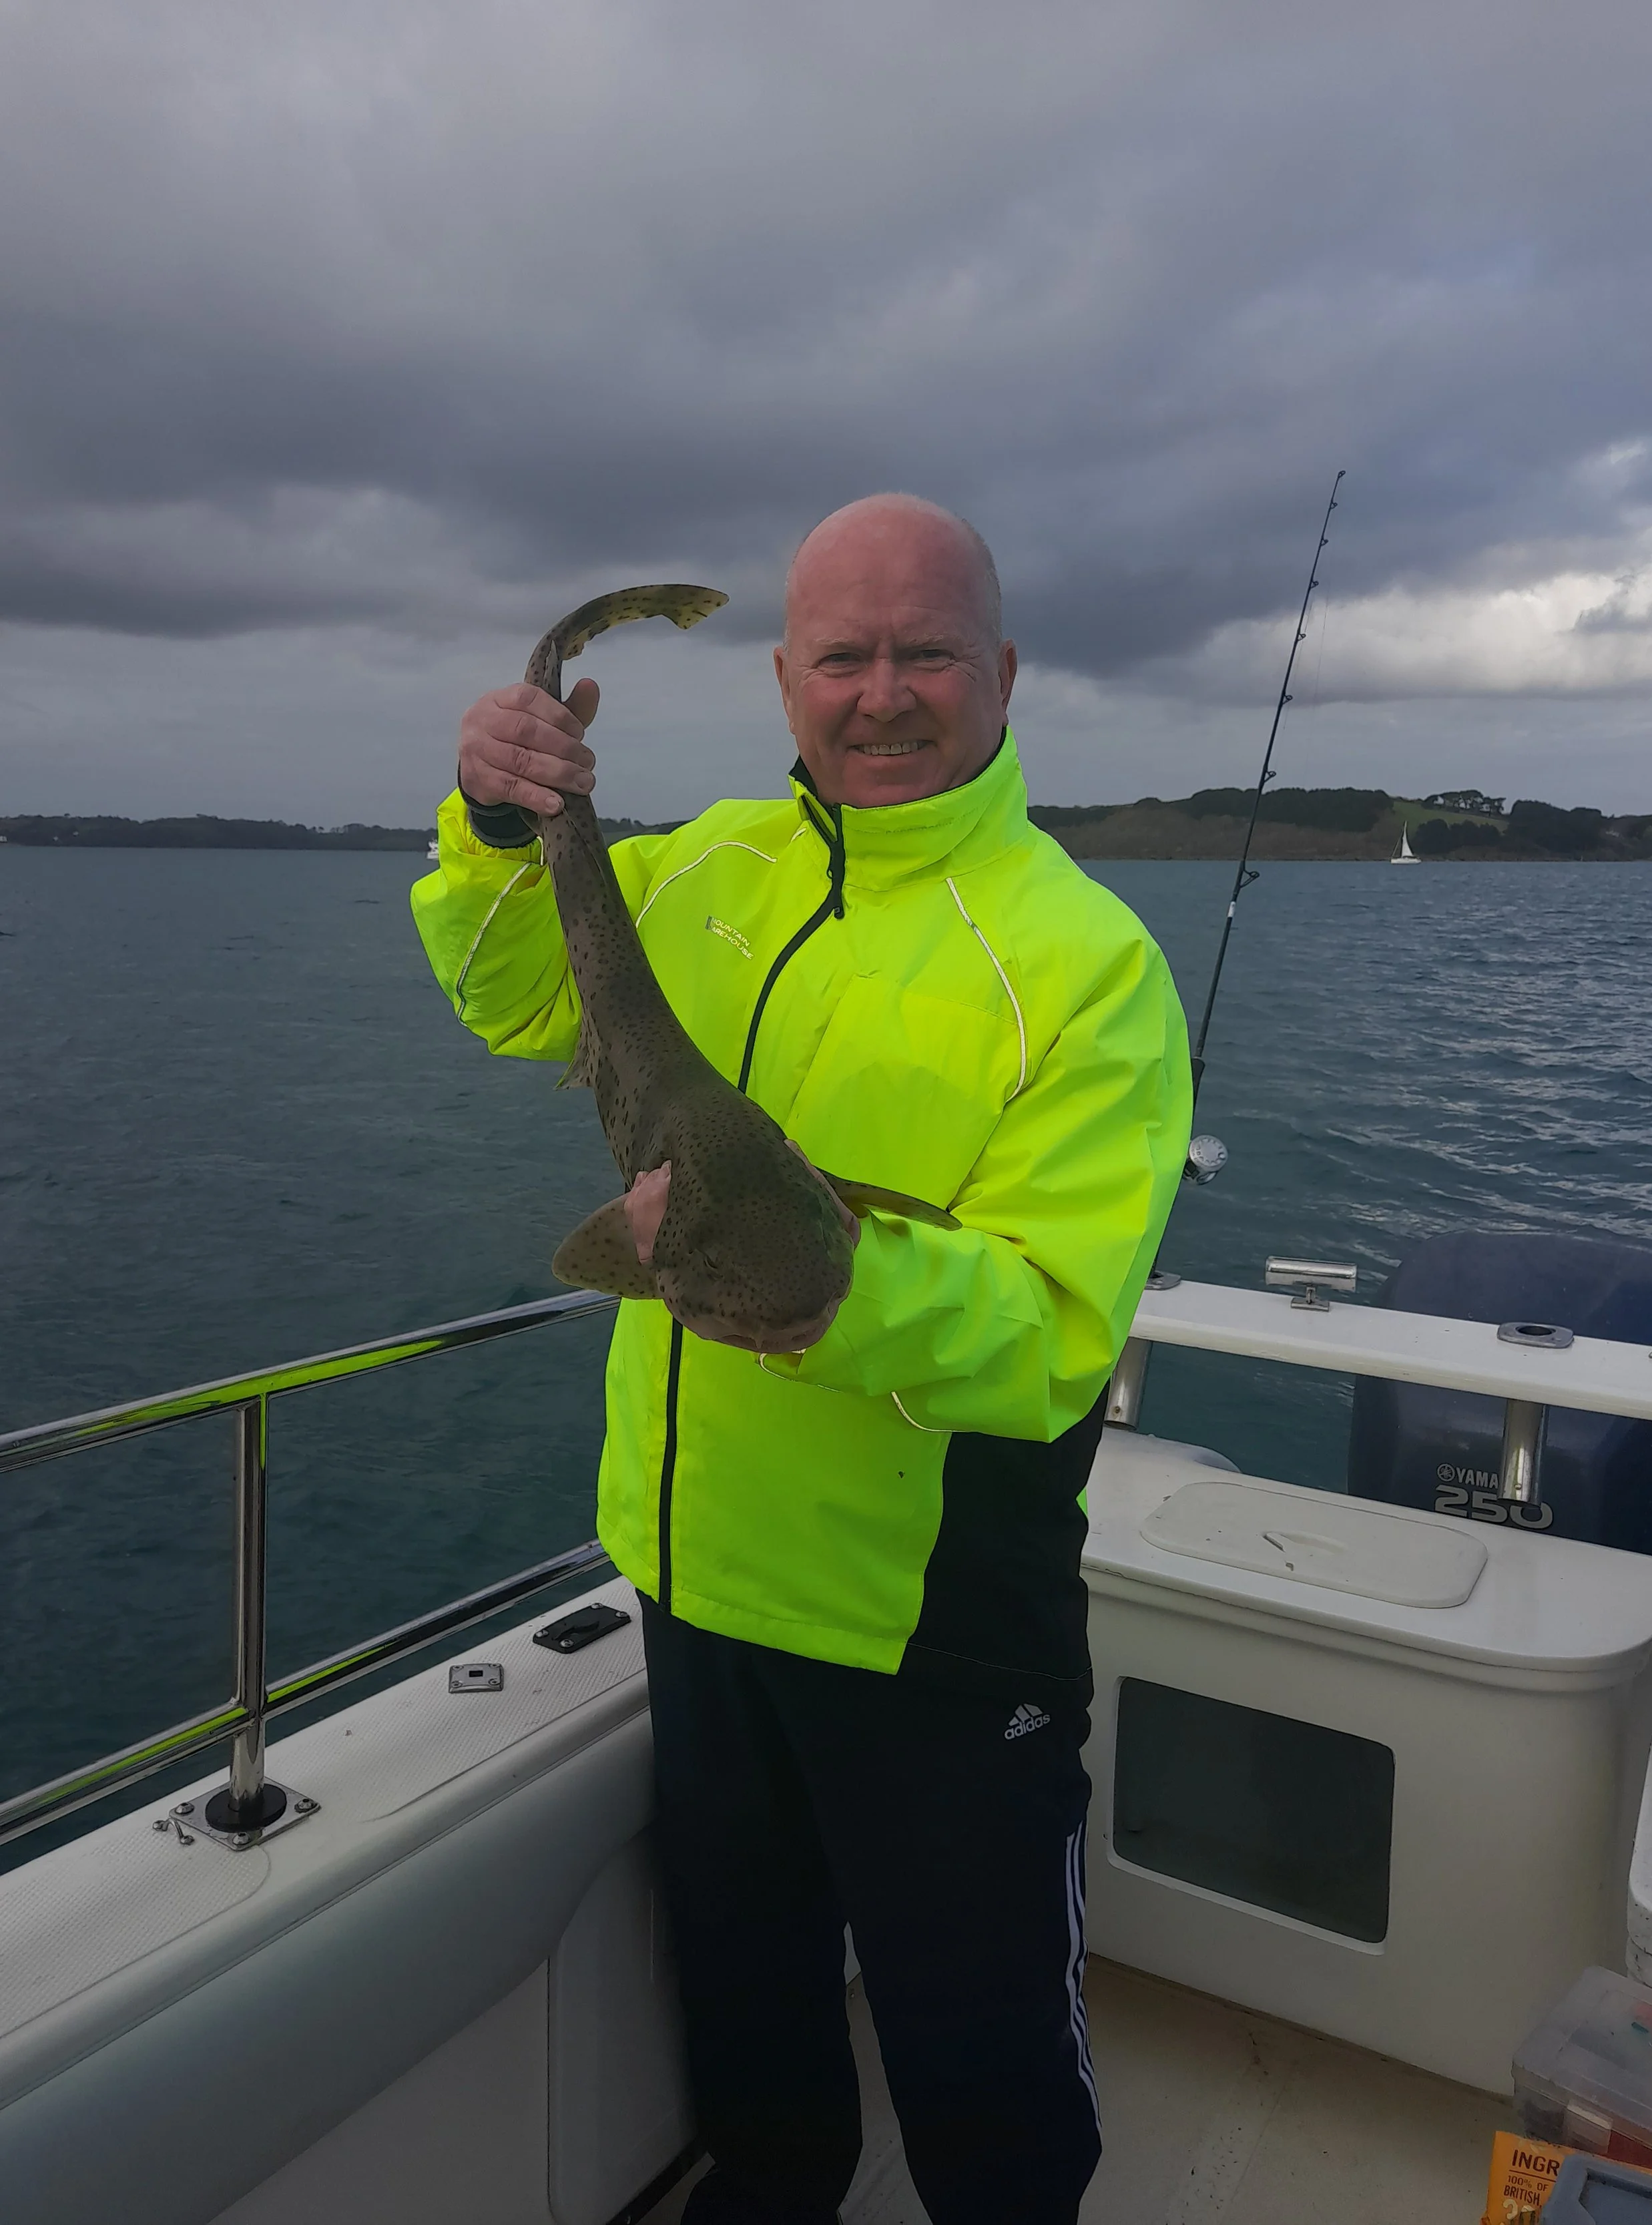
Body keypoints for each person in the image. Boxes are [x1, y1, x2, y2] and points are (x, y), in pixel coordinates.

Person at [411, 493, 1191, 2224]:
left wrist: (820, 1289)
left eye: (925, 651)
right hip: (696, 1595)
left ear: (1001, 672)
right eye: (844, 655)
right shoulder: (698, 870)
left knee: (985, 2077)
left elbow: (1051, 1326)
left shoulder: (1081, 964)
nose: (884, 692)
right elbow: (511, 990)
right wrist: (489, 818)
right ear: (784, 679)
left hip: (931, 1633)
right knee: (753, 2044)